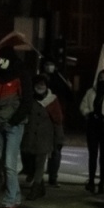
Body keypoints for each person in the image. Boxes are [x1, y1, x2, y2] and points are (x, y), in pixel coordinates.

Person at [0, 42, 34, 208]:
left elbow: (27, 101)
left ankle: (9, 201)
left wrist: (14, 120)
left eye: (2, 58)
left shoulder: (21, 74)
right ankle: (15, 197)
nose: (0, 61)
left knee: (9, 163)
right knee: (3, 162)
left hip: (13, 125)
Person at [21, 73, 59, 200]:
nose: (40, 86)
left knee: (40, 163)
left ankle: (35, 188)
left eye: (43, 84)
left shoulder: (52, 100)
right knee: (30, 165)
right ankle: (41, 186)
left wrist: (59, 139)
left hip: (45, 138)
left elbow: (58, 120)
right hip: (29, 138)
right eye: (38, 84)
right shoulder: (29, 99)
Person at [79, 74, 104, 194]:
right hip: (93, 125)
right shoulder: (91, 92)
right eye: (101, 77)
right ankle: (91, 181)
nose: (103, 79)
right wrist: (88, 113)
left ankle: (101, 182)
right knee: (93, 154)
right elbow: (83, 105)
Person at [40, 59, 73, 187]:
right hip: (42, 118)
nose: (49, 67)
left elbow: (69, 98)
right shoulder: (40, 79)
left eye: (51, 64)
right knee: (40, 150)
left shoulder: (60, 79)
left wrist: (69, 88)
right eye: (47, 64)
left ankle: (53, 176)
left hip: (56, 119)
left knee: (56, 149)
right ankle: (37, 177)